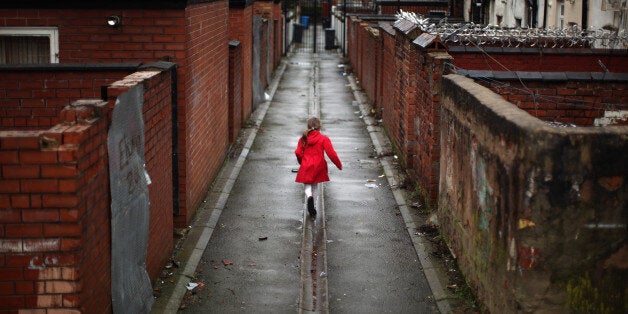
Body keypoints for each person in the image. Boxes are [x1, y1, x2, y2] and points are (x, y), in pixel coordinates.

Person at [295, 117, 342, 216]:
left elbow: (298, 152)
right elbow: (331, 153)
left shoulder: (303, 138)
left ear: (308, 126)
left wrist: (301, 162)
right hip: (318, 165)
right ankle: (314, 206)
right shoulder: (324, 138)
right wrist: (338, 164)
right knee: (315, 186)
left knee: (307, 184)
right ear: (319, 127)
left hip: (306, 164)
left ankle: (309, 197)